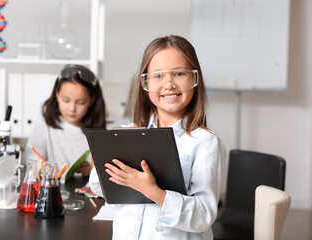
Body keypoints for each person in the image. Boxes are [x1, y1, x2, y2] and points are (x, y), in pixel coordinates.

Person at [89, 35, 225, 240]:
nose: (169, 84)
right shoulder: (131, 134)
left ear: (195, 79)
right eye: (158, 76)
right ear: (145, 83)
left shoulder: (204, 142)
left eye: (179, 73)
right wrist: (112, 150)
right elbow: (98, 188)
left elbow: (203, 216)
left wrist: (153, 191)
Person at [24, 64, 106, 182]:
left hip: (81, 194)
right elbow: (31, 158)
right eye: (66, 100)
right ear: (57, 94)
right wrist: (39, 167)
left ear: (91, 100)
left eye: (81, 102)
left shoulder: (97, 134)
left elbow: (104, 170)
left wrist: (93, 171)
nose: (72, 108)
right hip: (52, 190)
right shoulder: (44, 125)